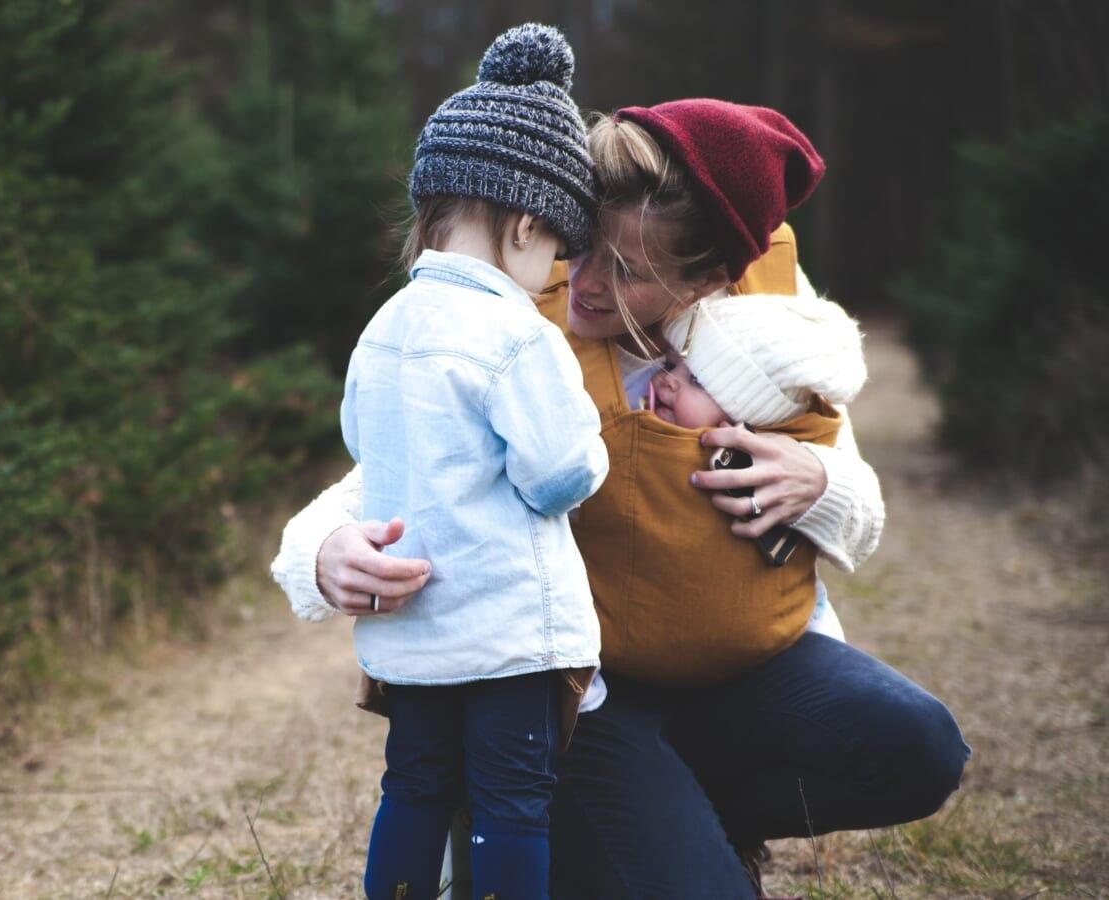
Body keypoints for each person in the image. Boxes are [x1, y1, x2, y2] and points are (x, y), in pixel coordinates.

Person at [272, 98, 970, 898]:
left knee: (922, 747)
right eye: (584, 249)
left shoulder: (769, 325)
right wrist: (320, 554)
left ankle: (686, 817)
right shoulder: (517, 314)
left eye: (630, 272)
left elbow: (862, 509)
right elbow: (392, 463)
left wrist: (821, 485)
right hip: (586, 697)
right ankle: (612, 822)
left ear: (707, 279)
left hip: (743, 674)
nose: (588, 285)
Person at [343, 24, 608, 899]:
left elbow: (360, 444)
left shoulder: (382, 329)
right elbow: (559, 472)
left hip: (412, 632)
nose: (551, 278)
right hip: (507, 635)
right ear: (527, 224)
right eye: (554, 255)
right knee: (511, 803)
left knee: (414, 787)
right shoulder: (514, 332)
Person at [577, 291, 867, 686]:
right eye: (671, 365)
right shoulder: (620, 406)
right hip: (628, 658)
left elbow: (860, 532)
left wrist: (823, 482)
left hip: (771, 650)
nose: (665, 382)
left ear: (745, 417)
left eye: (695, 379)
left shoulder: (771, 450)